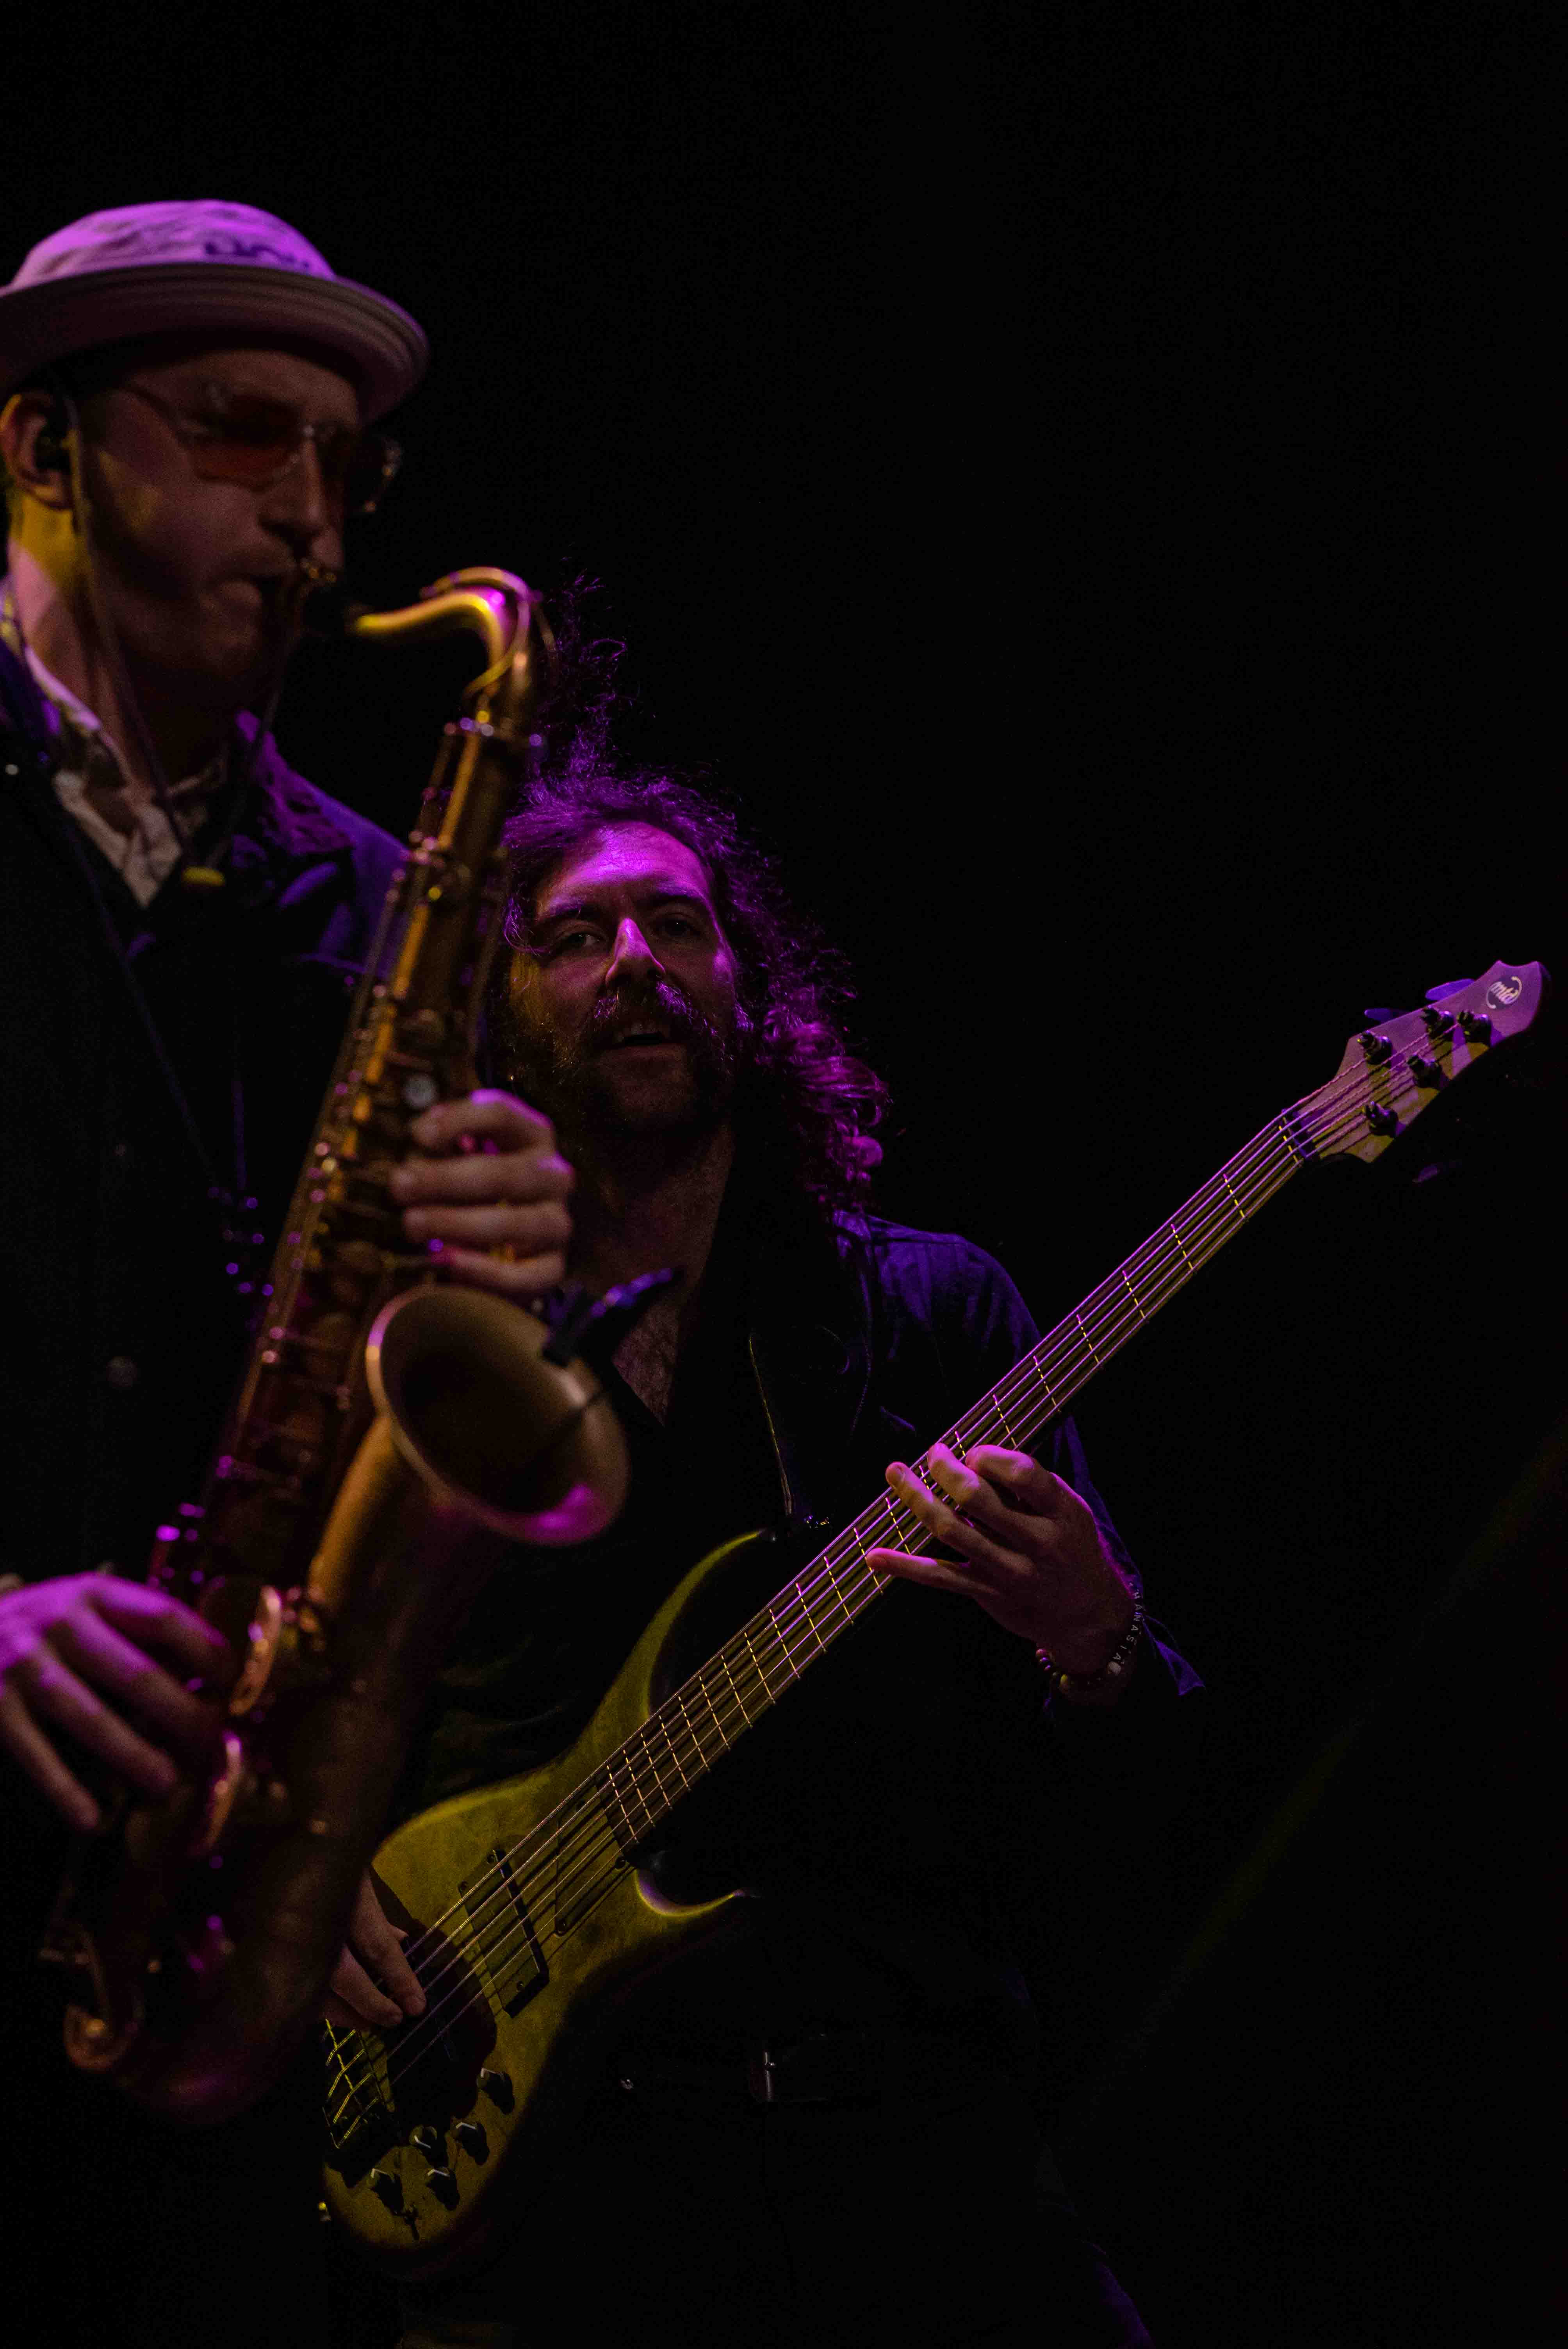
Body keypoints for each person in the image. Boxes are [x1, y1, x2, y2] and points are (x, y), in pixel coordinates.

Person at [385, 759, 1205, 2349]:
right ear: (500, 1009)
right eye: (575, 934)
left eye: (677, 924)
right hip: (555, 2188)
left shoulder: (935, 1313)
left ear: (747, 992)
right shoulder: (431, 1345)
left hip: (915, 2158)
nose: (634, 960)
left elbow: (1132, 1814)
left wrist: (1098, 1643)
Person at [0, 201, 573, 2348]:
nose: (318, 522)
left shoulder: (373, 894)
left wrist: (493, 1280)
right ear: (44, 450)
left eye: (350, 466)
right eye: (248, 434)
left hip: (207, 1917)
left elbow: (370, 1392)